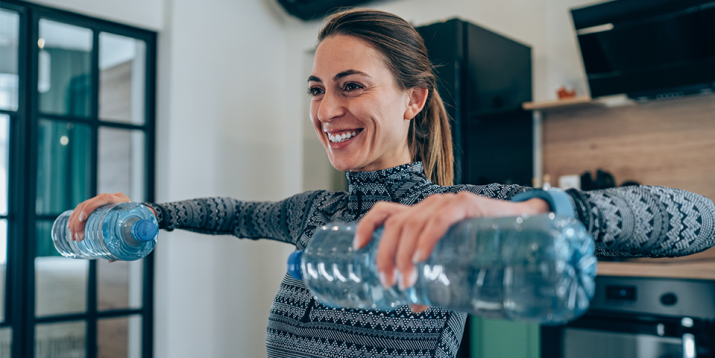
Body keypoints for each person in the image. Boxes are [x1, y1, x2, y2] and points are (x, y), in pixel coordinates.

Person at [67, 8, 715, 358]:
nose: (326, 111)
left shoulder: (457, 222)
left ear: (412, 99)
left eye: (351, 86)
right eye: (316, 90)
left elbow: (696, 217)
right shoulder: (311, 215)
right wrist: (146, 210)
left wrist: (535, 207)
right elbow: (232, 212)